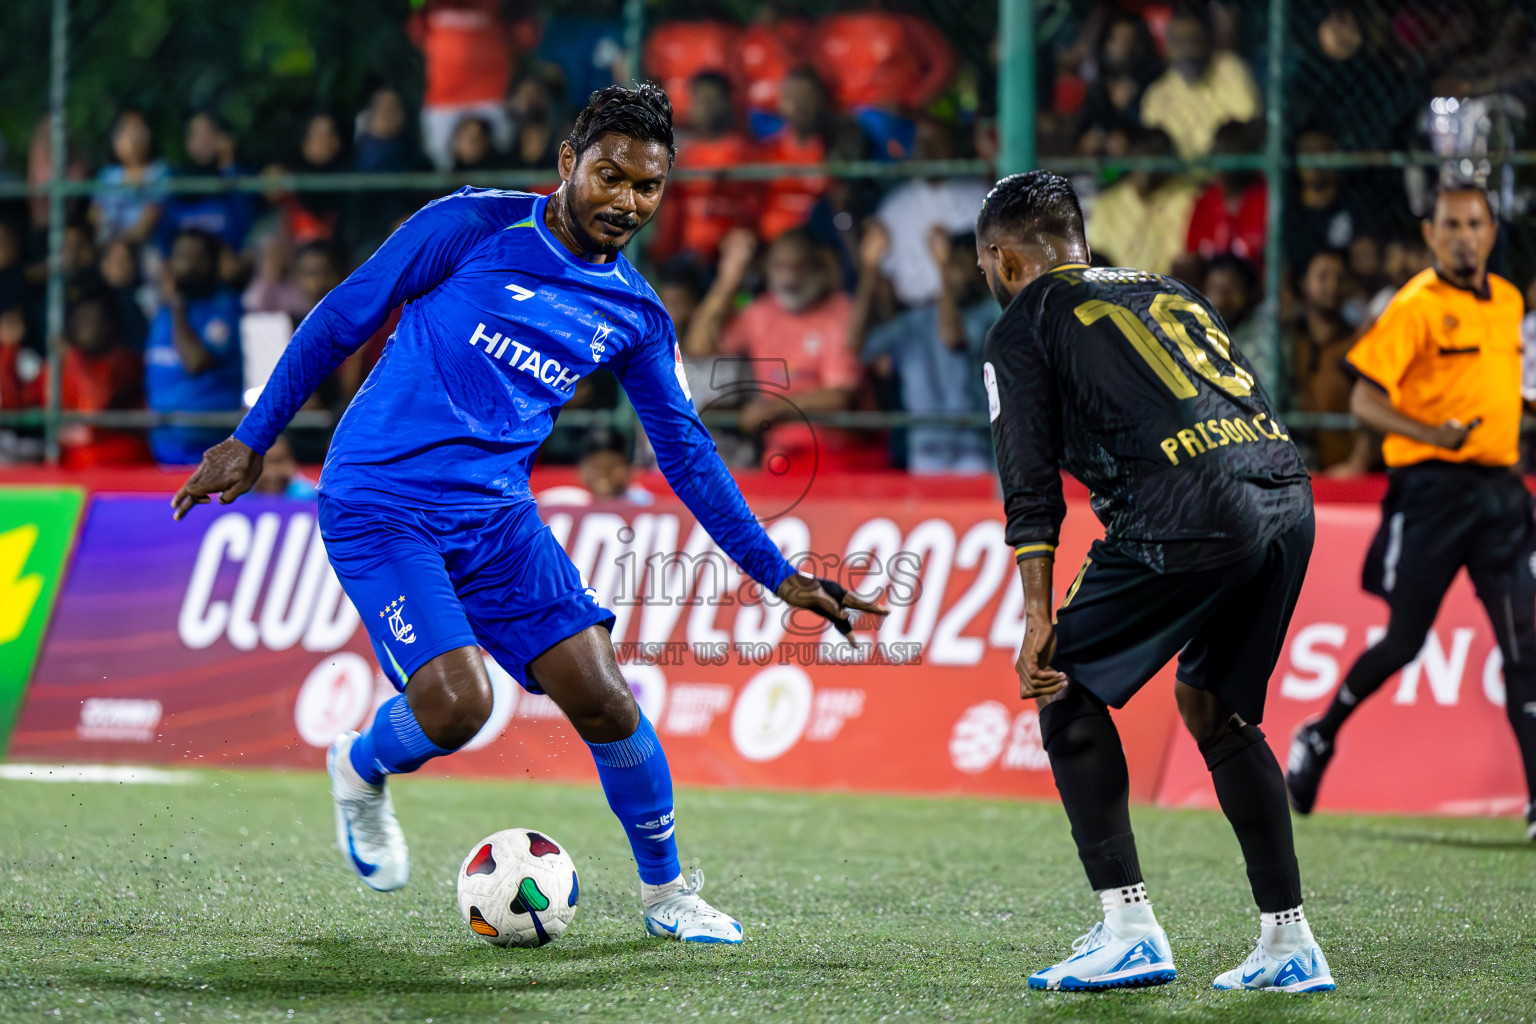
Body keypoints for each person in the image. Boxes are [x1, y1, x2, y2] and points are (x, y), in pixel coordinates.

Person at [170, 85, 887, 942]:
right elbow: (338, 319)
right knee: (461, 704)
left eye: (648, 188)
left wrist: (779, 574)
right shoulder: (470, 227)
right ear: (567, 163)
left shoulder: (636, 312)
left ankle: (666, 897)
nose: (626, 202)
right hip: (380, 501)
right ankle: (359, 767)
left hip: (499, 521)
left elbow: (687, 454)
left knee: (607, 701)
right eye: (610, 176)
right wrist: (253, 438)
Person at [978, 170, 1332, 993]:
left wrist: (1038, 616)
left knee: (1059, 680)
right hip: (1287, 497)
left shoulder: (1025, 321)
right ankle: (1290, 943)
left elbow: (1028, 485)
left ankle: (1128, 926)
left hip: (1189, 508)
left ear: (1002, 259)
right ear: (1079, 242)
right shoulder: (1162, 287)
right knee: (1216, 707)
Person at [1287, 186, 1536, 841]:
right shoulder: (1414, 306)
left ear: (1490, 231)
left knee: (1525, 646)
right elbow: (1365, 402)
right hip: (1432, 494)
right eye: (1450, 224)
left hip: (1502, 496)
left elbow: (1500, 384)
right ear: (1429, 234)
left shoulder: (1508, 301)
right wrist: (1433, 435)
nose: (1463, 236)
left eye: (1474, 224)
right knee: (1404, 642)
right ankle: (1319, 734)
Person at [853, 223, 994, 474]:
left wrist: (941, 268)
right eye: (953, 265)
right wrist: (870, 270)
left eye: (964, 265)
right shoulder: (916, 320)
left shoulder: (989, 315)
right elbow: (858, 347)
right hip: (924, 451)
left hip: (975, 450)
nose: (958, 273)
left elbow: (953, 339)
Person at [144, 229, 243, 466]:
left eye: (197, 257)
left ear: (212, 263)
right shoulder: (163, 311)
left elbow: (194, 362)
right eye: (182, 256)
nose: (189, 265)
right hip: (164, 449)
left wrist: (176, 305)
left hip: (209, 451)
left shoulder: (224, 306)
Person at [1138, 9, 1262, 159]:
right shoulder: (1156, 96)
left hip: (1227, 175)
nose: (1188, 49)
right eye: (1180, 42)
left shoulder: (1229, 68)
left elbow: (1247, 128)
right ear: (1168, 49)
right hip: (1179, 180)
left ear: (1208, 42)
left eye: (1195, 39)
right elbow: (1154, 152)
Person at [1084, 128, 1201, 276]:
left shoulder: (1188, 198)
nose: (1149, 162)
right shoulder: (1106, 207)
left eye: (1156, 154)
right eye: (1142, 154)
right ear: (1130, 157)